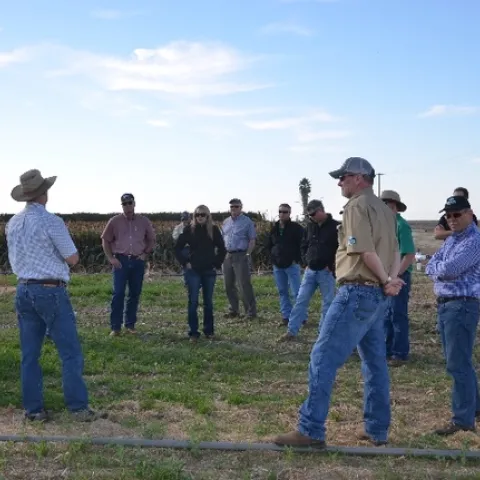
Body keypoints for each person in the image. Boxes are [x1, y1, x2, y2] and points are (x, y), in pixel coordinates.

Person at [274, 157, 404, 448]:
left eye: (343, 177)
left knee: (322, 357)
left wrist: (385, 280)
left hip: (357, 291)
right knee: (375, 364)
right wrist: (390, 280)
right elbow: (396, 252)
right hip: (377, 297)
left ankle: (310, 429)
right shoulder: (386, 210)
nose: (339, 182)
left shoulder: (357, 206)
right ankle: (377, 430)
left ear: (359, 178)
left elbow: (364, 251)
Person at [6, 169, 104, 422]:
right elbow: (72, 257)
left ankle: (34, 409)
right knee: (69, 351)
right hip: (50, 289)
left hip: (23, 289)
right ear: (44, 194)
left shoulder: (13, 223)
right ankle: (78, 407)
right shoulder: (52, 222)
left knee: (30, 354)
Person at [425, 195, 480, 436]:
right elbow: (432, 264)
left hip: (462, 305)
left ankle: (463, 419)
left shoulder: (473, 241)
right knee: (458, 361)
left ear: (469, 213)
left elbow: (448, 270)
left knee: (458, 363)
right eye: (448, 216)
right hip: (448, 306)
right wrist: (437, 269)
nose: (452, 219)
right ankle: (473, 409)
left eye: (457, 214)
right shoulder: (453, 240)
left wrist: (437, 269)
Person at [279, 199, 339, 340]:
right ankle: (291, 331)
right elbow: (303, 245)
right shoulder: (310, 227)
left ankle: (322, 334)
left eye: (313, 214)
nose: (311, 217)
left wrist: (332, 266)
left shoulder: (336, 227)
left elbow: (341, 249)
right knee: (301, 300)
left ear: (321, 210)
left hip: (327, 272)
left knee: (328, 303)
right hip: (310, 271)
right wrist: (305, 262)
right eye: (309, 215)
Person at [101, 193, 156, 336]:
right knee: (118, 293)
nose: (127, 206)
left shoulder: (144, 221)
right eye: (124, 204)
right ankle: (115, 327)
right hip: (121, 261)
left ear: (134, 203)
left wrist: (145, 254)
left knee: (134, 294)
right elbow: (105, 240)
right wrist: (111, 258)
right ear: (122, 205)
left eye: (129, 203)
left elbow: (151, 239)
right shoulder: (114, 221)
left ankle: (130, 325)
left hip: (138, 261)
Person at [174, 205, 226, 342]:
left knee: (208, 302)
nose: (200, 217)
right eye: (197, 215)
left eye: (203, 214)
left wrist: (216, 264)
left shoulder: (213, 230)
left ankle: (209, 331)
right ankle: (193, 333)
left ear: (208, 216)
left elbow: (222, 248)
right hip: (193, 271)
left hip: (209, 270)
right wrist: (185, 262)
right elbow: (177, 248)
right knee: (193, 302)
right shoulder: (189, 230)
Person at [381, 190, 416, 366]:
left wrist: (395, 276)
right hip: (388, 277)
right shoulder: (385, 226)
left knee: (397, 314)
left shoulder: (401, 226)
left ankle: (400, 353)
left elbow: (409, 254)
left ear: (394, 207)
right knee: (387, 315)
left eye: (387, 206)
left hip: (399, 276)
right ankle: (387, 350)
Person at [267, 203, 305, 325]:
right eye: (280, 211)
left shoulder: (296, 228)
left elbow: (303, 244)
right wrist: (272, 258)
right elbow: (268, 244)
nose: (282, 214)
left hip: (292, 264)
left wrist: (298, 259)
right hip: (277, 265)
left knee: (297, 292)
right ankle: (286, 316)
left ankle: (301, 316)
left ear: (290, 213)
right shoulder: (274, 228)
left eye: (285, 212)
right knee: (282, 291)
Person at [221, 198, 257, 319]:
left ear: (241, 207)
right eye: (232, 207)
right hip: (227, 255)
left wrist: (247, 254)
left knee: (244, 284)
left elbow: (252, 240)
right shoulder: (226, 222)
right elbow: (223, 239)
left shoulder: (247, 222)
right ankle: (234, 310)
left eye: (236, 206)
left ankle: (250, 312)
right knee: (228, 284)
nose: (234, 209)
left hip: (241, 254)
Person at [173, 212, 192, 287]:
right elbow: (174, 236)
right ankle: (187, 283)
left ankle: (196, 283)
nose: (185, 221)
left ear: (189, 219)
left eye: (186, 219)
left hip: (193, 248)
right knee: (186, 265)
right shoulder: (178, 227)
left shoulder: (194, 226)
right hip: (183, 249)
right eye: (184, 219)